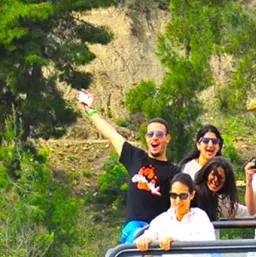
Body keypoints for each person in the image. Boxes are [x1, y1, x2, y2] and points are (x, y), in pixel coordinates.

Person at [77, 89, 180, 243]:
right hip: (134, 229)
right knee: (141, 240)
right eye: (150, 134)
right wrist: (90, 111)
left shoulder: (174, 172)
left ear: (167, 138)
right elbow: (111, 134)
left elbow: (178, 206)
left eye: (159, 134)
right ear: (146, 138)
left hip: (159, 231)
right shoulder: (135, 157)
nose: (154, 138)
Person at [134, 173, 216, 257]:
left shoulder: (200, 217)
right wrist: (144, 240)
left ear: (192, 195)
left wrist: (176, 240)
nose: (178, 201)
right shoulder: (163, 219)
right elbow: (146, 236)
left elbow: (209, 241)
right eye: (174, 196)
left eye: (183, 196)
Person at [193, 157, 250, 221]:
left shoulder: (219, 199)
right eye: (213, 175)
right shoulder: (194, 195)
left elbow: (241, 212)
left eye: (220, 177)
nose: (215, 180)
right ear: (206, 174)